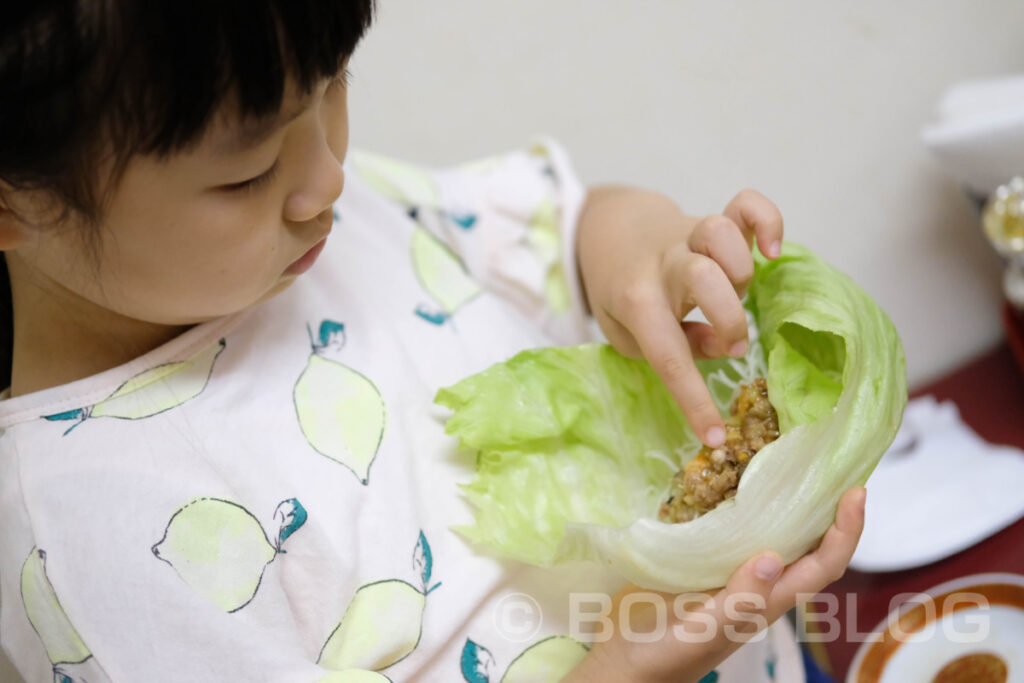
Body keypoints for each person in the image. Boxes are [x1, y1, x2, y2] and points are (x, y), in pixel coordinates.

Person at [0, 2, 864, 681]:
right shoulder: (91, 545)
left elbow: (567, 226)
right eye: (247, 171)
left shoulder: (330, 216)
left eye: (334, 85)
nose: (327, 176)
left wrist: (645, 250)